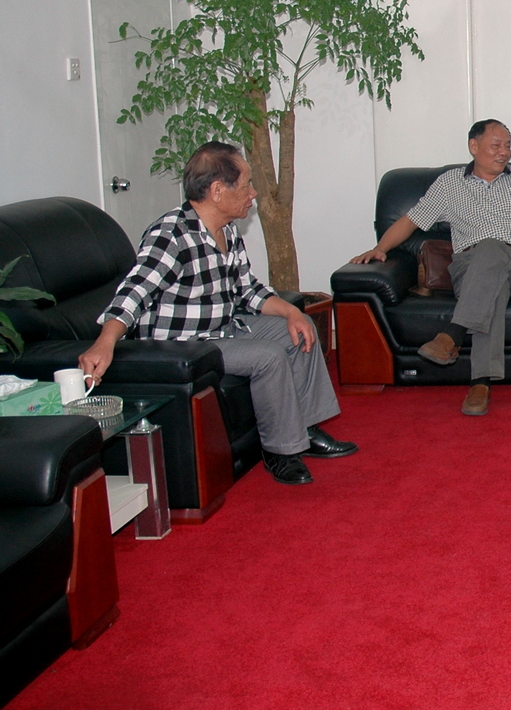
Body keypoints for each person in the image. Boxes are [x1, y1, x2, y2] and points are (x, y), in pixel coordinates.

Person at [78, 142, 356, 487]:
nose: (253, 193)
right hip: (185, 343)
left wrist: (291, 312)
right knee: (268, 356)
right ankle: (281, 453)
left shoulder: (227, 230)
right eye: (247, 184)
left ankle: (305, 429)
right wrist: (105, 341)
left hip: (223, 327)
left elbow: (247, 289)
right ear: (217, 191)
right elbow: (134, 292)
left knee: (298, 329)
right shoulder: (172, 235)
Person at [350, 119, 511, 416]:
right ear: (474, 146)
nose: (504, 152)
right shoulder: (449, 183)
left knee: (491, 248)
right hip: (468, 267)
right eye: (496, 145)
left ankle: (454, 335)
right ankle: (480, 383)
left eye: (508, 145)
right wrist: (381, 248)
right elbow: (411, 220)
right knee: (492, 286)